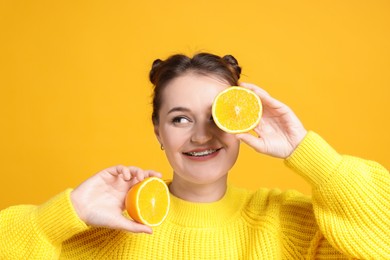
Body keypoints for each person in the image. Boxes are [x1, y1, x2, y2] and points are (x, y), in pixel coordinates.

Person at [0, 52, 389, 259]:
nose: (202, 134)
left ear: (242, 123)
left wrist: (307, 152)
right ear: (159, 132)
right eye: (181, 118)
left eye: (216, 116)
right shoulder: (117, 227)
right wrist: (65, 213)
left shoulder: (287, 223)